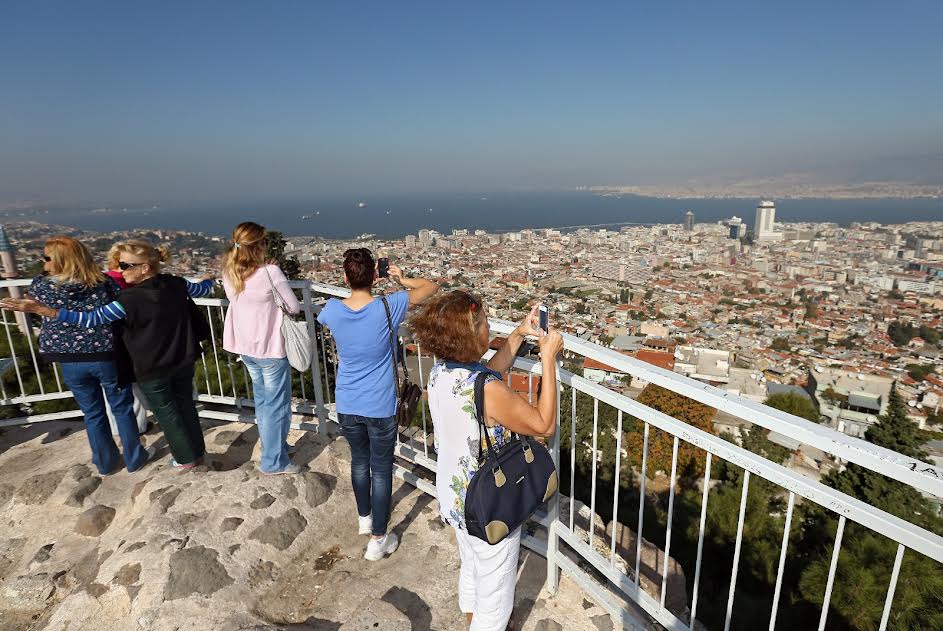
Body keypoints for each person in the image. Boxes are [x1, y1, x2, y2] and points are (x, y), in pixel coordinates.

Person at [410, 291, 563, 631]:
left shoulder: (442, 372)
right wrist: (548, 359)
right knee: (495, 595)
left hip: (455, 494)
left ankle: (470, 617)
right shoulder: (487, 389)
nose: (489, 326)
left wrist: (520, 334)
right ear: (469, 335)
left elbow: (486, 376)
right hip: (489, 500)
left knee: (473, 566)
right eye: (484, 323)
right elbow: (544, 425)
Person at [2, 240, 214, 470]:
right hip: (183, 358)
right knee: (186, 406)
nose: (119, 271)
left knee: (167, 413)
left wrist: (44, 311)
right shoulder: (176, 283)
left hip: (151, 366)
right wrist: (210, 280)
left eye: (124, 265)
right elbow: (202, 289)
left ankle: (185, 460)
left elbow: (89, 319)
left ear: (144, 267)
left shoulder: (127, 300)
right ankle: (195, 453)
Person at [317, 248, 439, 560]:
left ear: (345, 277)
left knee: (359, 461)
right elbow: (431, 288)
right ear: (374, 275)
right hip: (380, 403)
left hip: (347, 401)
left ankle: (365, 518)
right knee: (381, 469)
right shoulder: (388, 305)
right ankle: (378, 539)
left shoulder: (331, 310)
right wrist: (399, 277)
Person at [18, 236, 153, 474]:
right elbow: (118, 305)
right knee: (121, 408)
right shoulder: (101, 282)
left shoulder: (42, 286)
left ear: (58, 260)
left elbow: (34, 299)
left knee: (92, 412)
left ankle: (105, 463)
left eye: (46, 257)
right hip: (105, 354)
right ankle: (134, 458)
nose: (42, 261)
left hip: (69, 359)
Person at [222, 221, 302, 475]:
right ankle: (273, 461)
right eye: (265, 242)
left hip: (246, 348)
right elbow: (294, 307)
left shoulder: (229, 271)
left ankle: (276, 446)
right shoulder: (270, 273)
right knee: (277, 405)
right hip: (269, 347)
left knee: (264, 402)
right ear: (259, 246)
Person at [102, 242, 150, 437]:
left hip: (106, 341)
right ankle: (138, 427)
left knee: (113, 389)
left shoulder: (102, 281)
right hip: (130, 338)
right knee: (134, 384)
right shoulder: (126, 282)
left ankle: (119, 429)